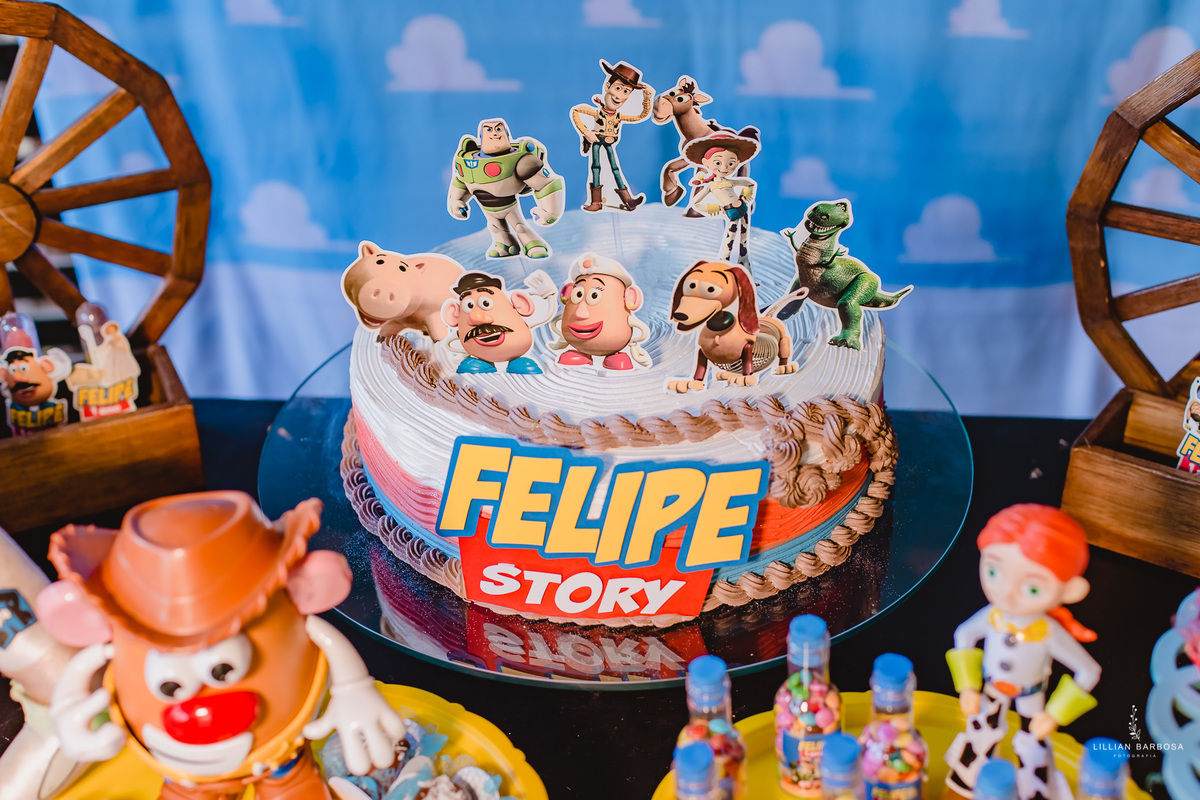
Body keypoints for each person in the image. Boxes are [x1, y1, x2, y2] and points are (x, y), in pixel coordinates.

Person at [945, 504, 1101, 800]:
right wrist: (967, 686)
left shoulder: (1048, 632)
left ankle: (1035, 791)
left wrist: (1055, 714)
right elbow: (964, 635)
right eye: (994, 572)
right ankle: (964, 784)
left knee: (1034, 745)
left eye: (1032, 589)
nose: (1007, 593)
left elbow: (1089, 670)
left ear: (1071, 590)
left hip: (1031, 694)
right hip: (992, 687)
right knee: (980, 733)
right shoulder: (993, 616)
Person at [569, 60, 654, 212]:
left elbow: (640, 116)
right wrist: (586, 132)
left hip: (609, 142)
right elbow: (576, 111)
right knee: (596, 168)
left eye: (626, 91)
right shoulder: (597, 113)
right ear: (607, 86)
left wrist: (647, 99)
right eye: (618, 88)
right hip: (597, 140)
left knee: (615, 169)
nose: (619, 95)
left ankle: (628, 200)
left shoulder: (619, 116)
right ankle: (596, 202)